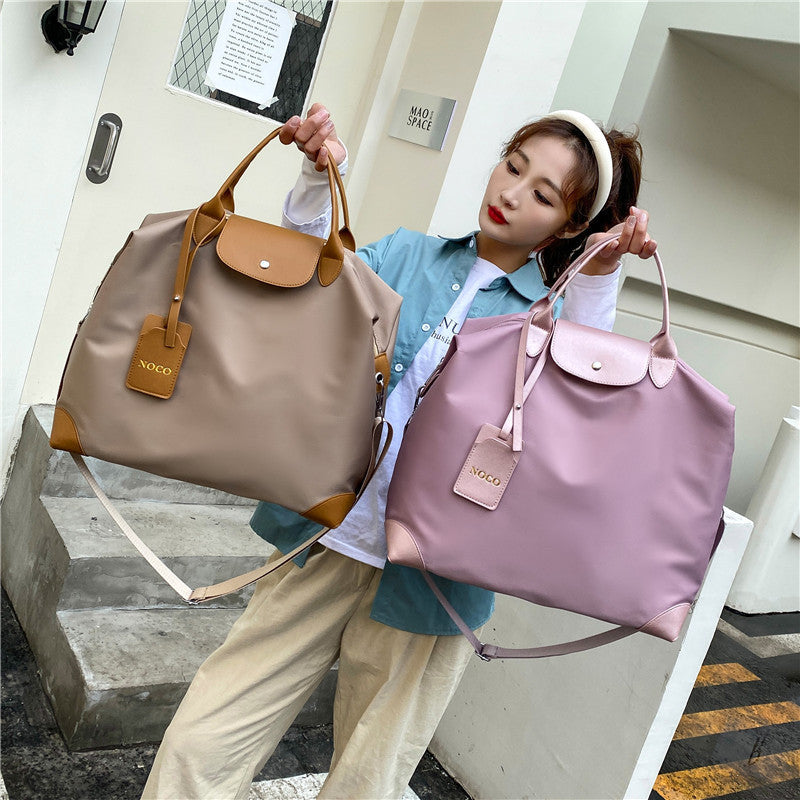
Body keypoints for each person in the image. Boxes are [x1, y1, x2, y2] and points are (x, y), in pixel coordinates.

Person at [142, 103, 656, 800]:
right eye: (512, 167)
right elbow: (313, 292)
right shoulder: (406, 255)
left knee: (368, 783)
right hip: (325, 540)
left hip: (435, 582)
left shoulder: (551, 319)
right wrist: (318, 178)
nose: (510, 194)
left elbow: (582, 396)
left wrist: (599, 274)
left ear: (567, 226)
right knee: (200, 743)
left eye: (541, 195)